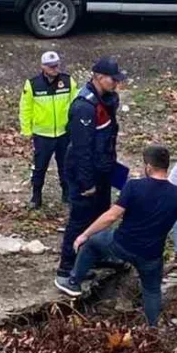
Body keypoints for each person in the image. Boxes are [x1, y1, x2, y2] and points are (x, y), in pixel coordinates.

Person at [55, 145, 177, 325]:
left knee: (92, 244)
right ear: (166, 166)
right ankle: (153, 327)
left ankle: (74, 282)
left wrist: (84, 234)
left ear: (148, 167)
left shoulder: (134, 186)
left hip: (121, 245)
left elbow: (111, 216)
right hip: (151, 255)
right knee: (152, 291)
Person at [57, 57, 125, 285]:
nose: (116, 83)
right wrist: (86, 182)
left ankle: (95, 255)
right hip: (85, 172)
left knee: (101, 215)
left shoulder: (106, 100)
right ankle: (67, 267)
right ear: (98, 77)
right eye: (112, 79)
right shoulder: (84, 107)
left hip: (104, 168)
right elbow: (81, 149)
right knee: (80, 219)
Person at [18, 51, 77, 209]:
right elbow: (25, 109)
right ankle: (36, 196)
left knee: (65, 165)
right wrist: (26, 130)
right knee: (40, 167)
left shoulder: (68, 81)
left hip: (64, 133)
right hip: (42, 135)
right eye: (51, 66)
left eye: (56, 65)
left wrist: (74, 127)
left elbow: (76, 105)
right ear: (43, 67)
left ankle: (67, 194)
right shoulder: (32, 84)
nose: (54, 69)